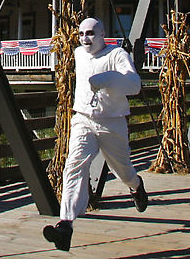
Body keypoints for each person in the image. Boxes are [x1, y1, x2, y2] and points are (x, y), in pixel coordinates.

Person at [42, 17, 148, 251]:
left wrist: (109, 79)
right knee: (74, 166)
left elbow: (134, 84)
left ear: (102, 34)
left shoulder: (116, 55)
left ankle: (136, 186)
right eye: (81, 34)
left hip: (112, 123)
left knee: (123, 170)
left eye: (90, 33)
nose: (84, 38)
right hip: (83, 119)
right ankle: (65, 225)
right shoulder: (79, 54)